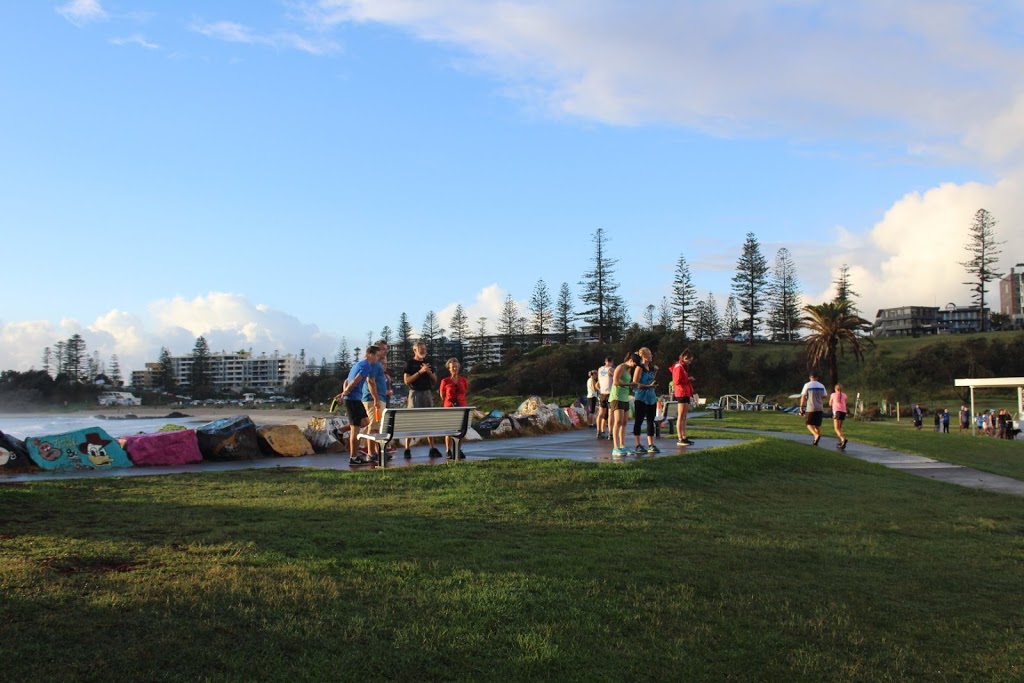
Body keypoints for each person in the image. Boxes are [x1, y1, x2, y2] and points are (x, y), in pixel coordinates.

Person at [336, 345, 382, 465]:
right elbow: (355, 380)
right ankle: (353, 457)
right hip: (353, 399)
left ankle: (340, 432)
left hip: (355, 398)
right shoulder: (366, 366)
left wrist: (344, 391)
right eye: (377, 356)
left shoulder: (358, 364)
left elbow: (347, 380)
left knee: (366, 422)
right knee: (355, 430)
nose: (378, 358)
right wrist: (346, 392)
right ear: (370, 355)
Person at [402, 341, 442, 458]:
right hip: (415, 393)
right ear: (415, 350)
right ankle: (407, 448)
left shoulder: (428, 363)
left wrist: (428, 372)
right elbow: (407, 381)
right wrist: (420, 372)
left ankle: (432, 447)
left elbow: (435, 379)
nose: (423, 351)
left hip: (427, 393)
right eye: (421, 349)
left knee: (429, 420)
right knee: (411, 420)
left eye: (424, 348)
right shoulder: (409, 363)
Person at [609, 353, 638, 458]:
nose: (636, 366)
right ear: (630, 360)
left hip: (625, 397)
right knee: (618, 421)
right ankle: (615, 447)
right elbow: (616, 382)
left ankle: (622, 445)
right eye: (635, 363)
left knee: (624, 422)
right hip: (617, 397)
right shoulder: (620, 367)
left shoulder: (628, 369)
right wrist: (630, 384)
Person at [439, 357, 469, 459]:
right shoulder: (445, 381)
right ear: (449, 368)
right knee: (449, 430)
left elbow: (465, 392)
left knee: (461, 430)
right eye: (452, 367)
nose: (454, 369)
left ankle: (458, 449)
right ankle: (448, 450)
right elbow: (442, 395)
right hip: (449, 407)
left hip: (461, 406)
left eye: (456, 367)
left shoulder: (463, 380)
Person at [632, 347, 659, 454]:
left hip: (651, 398)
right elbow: (635, 383)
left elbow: (651, 381)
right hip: (641, 398)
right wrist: (648, 386)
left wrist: (655, 373)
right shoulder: (639, 368)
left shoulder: (651, 368)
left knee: (650, 421)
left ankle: (651, 444)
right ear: (643, 356)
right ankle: (638, 445)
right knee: (638, 421)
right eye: (649, 354)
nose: (651, 355)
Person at [670, 349, 695, 446]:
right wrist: (688, 379)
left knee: (684, 416)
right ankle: (680, 437)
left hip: (686, 392)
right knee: (680, 416)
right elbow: (676, 381)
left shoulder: (683, 367)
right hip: (681, 392)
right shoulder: (678, 367)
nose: (690, 362)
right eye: (689, 360)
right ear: (685, 358)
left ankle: (684, 436)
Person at [799, 372, 827, 446]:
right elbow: (825, 396)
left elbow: (803, 396)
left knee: (808, 423)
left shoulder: (807, 385)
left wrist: (801, 407)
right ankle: (816, 440)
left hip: (811, 407)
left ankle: (815, 435)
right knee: (818, 425)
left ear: (810, 377)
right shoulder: (821, 385)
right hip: (820, 407)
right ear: (817, 377)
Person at [595, 356, 615, 439]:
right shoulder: (611, 369)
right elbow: (617, 378)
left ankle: (599, 431)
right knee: (610, 415)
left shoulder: (600, 369)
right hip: (610, 393)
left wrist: (600, 390)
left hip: (602, 393)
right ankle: (610, 433)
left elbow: (598, 383)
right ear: (611, 362)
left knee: (600, 414)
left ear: (605, 361)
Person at [830, 383, 848, 450]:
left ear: (835, 389)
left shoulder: (833, 395)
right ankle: (840, 442)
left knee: (836, 428)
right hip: (843, 412)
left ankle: (843, 439)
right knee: (840, 428)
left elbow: (830, 403)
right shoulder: (845, 395)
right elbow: (845, 402)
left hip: (837, 412)